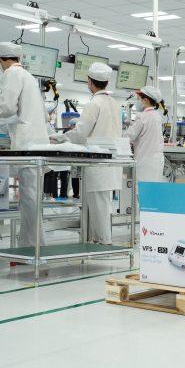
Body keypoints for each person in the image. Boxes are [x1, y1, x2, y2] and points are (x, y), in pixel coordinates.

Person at [52, 62, 121, 244]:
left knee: (98, 207)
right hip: (111, 162)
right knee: (102, 205)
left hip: (97, 163)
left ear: (90, 82)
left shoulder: (94, 103)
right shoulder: (115, 103)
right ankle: (95, 240)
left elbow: (81, 133)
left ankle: (104, 243)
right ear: (106, 82)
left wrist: (59, 138)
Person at [0, 42, 51, 248]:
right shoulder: (29, 77)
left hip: (27, 145)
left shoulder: (11, 74)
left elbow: (8, 108)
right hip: (38, 145)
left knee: (29, 200)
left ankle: (32, 247)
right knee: (31, 198)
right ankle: (32, 244)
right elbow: (45, 115)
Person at [124, 85, 165, 183]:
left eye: (138, 99)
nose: (137, 102)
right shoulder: (157, 116)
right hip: (156, 162)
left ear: (145, 100)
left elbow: (128, 137)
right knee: (153, 189)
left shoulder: (142, 117)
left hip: (144, 162)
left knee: (141, 190)